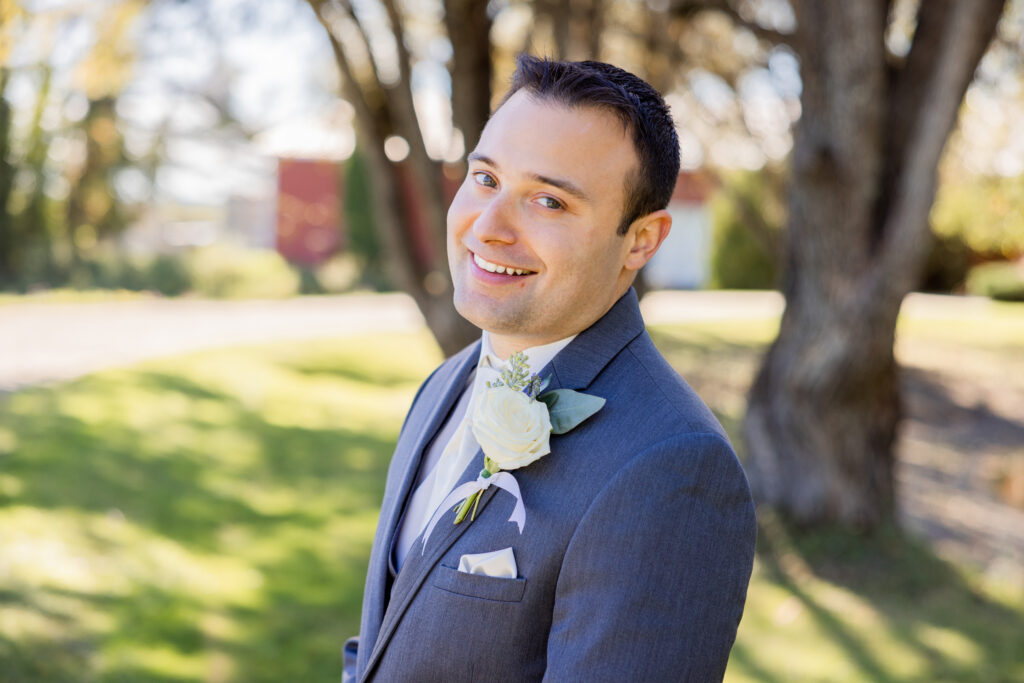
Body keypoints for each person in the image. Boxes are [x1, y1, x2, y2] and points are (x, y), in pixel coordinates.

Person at [344, 55, 756, 683]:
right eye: (485, 179)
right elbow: (381, 646)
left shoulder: (671, 468)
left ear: (641, 240)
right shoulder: (444, 386)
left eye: (547, 201)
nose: (488, 228)